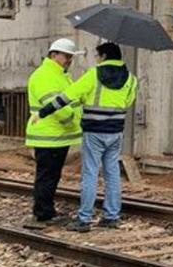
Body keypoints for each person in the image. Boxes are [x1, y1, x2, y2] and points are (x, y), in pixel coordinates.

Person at [36, 41, 136, 232]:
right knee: (112, 173)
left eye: (98, 56)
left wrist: (44, 112)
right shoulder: (131, 79)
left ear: (104, 56)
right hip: (115, 132)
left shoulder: (93, 75)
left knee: (90, 173)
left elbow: (69, 96)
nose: (96, 60)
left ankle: (85, 219)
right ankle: (112, 216)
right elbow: (128, 101)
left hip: (94, 132)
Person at [23, 38, 84, 229]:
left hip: (55, 136)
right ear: (54, 55)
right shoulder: (45, 75)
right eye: (66, 56)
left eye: (70, 57)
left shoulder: (58, 75)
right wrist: (71, 121)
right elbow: (55, 105)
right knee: (47, 176)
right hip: (49, 135)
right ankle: (43, 213)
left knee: (50, 175)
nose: (69, 60)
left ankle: (45, 211)